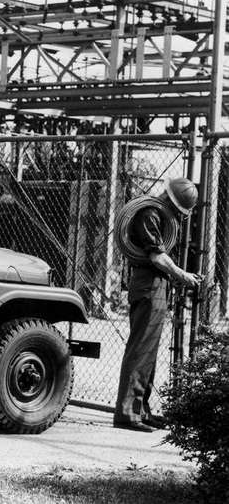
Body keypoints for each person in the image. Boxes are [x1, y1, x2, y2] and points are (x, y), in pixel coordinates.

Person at [113, 177, 202, 432]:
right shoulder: (149, 213)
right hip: (148, 284)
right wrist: (183, 275)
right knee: (141, 350)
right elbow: (156, 256)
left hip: (156, 286)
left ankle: (141, 410)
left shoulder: (161, 216)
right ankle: (128, 414)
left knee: (149, 352)